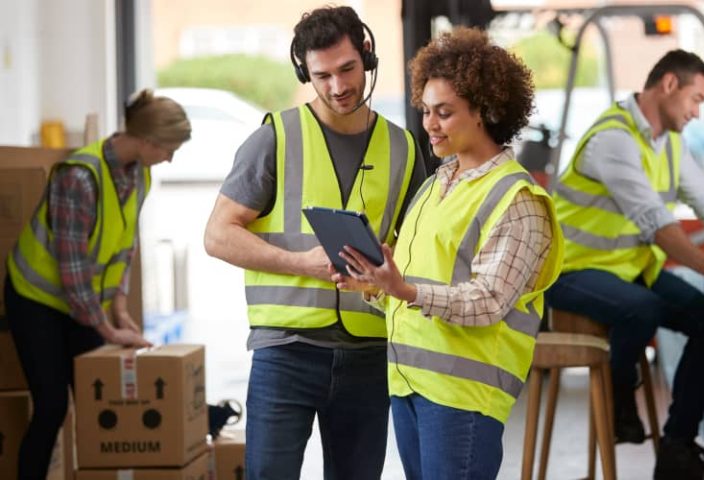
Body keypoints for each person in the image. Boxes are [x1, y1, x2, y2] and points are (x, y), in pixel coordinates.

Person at [203, 6, 425, 479]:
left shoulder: (404, 148)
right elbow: (218, 235)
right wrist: (301, 263)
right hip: (286, 351)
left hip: (369, 352)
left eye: (347, 70)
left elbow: (418, 248)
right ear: (305, 72)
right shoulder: (273, 139)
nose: (338, 87)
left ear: (367, 56)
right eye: (322, 75)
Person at [331, 27, 563, 479]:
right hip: (409, 384)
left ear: (485, 112)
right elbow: (419, 280)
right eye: (426, 111)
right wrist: (376, 286)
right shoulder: (437, 183)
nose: (430, 124)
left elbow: (489, 301)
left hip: (464, 397)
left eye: (444, 113)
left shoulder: (517, 200)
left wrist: (406, 289)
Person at [545, 49, 704, 480]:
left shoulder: (668, 144)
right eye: (696, 98)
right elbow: (657, 223)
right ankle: (620, 398)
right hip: (570, 272)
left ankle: (677, 446)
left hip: (627, 270)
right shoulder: (614, 139)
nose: (698, 111)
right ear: (669, 85)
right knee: (641, 309)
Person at [4, 88, 191, 479]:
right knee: (53, 405)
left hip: (82, 302)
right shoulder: (79, 177)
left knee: (98, 398)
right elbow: (71, 269)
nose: (170, 158)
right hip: (37, 298)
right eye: (168, 149)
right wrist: (108, 329)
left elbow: (124, 245)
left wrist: (121, 309)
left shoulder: (140, 174)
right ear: (146, 140)